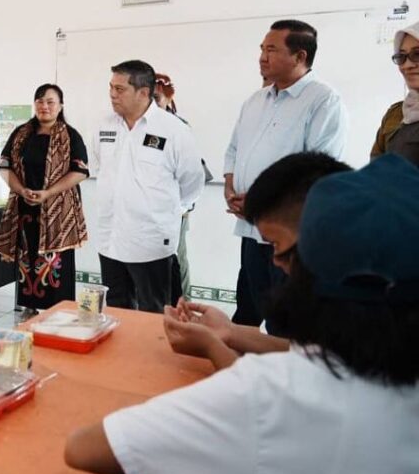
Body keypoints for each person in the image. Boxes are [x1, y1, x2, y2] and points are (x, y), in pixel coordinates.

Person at [64, 154, 419, 474]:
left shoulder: (274, 392)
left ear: (321, 265)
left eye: (282, 249)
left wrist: (217, 350)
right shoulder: (380, 355)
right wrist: (231, 334)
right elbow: (310, 351)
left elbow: (85, 448)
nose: (278, 263)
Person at [163, 152, 351, 370]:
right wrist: (228, 332)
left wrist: (212, 347)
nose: (276, 260)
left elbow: (280, 391)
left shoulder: (353, 307)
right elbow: (300, 351)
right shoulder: (335, 279)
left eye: (276, 245)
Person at [224, 19, 347, 330]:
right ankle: (247, 371)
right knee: (249, 310)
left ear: (300, 56)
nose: (262, 57)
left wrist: (263, 199)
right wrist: (229, 187)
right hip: (251, 229)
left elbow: (320, 167)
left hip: (291, 235)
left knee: (287, 320)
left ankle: (283, 373)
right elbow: (234, 151)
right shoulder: (255, 100)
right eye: (262, 49)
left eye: (271, 49)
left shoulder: (323, 100)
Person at [93, 60, 204, 313]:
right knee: (117, 309)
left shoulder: (173, 130)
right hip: (110, 237)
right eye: (111, 87)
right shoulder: (104, 125)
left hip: (151, 242)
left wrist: (168, 212)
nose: (112, 94)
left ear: (143, 92)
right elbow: (102, 167)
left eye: (120, 89)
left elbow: (192, 181)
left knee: (154, 312)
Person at [0, 84, 89, 320]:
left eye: (50, 101)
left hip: (59, 212)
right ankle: (30, 307)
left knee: (57, 261)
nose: (44, 106)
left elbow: (80, 171)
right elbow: (4, 166)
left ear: (60, 106)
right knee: (29, 258)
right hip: (25, 209)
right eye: (39, 101)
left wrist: (48, 193)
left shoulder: (70, 135)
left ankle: (59, 309)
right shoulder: (21, 134)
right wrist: (20, 190)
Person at [152, 73, 213, 303]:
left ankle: (183, 304)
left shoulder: (178, 127)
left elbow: (191, 172)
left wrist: (182, 205)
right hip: (147, 208)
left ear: (169, 98)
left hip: (175, 207)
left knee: (176, 257)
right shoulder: (138, 126)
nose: (152, 103)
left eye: (157, 98)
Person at [372, 20, 419, 166]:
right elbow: (375, 170)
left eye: (417, 54)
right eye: (401, 57)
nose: (407, 65)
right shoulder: (395, 114)